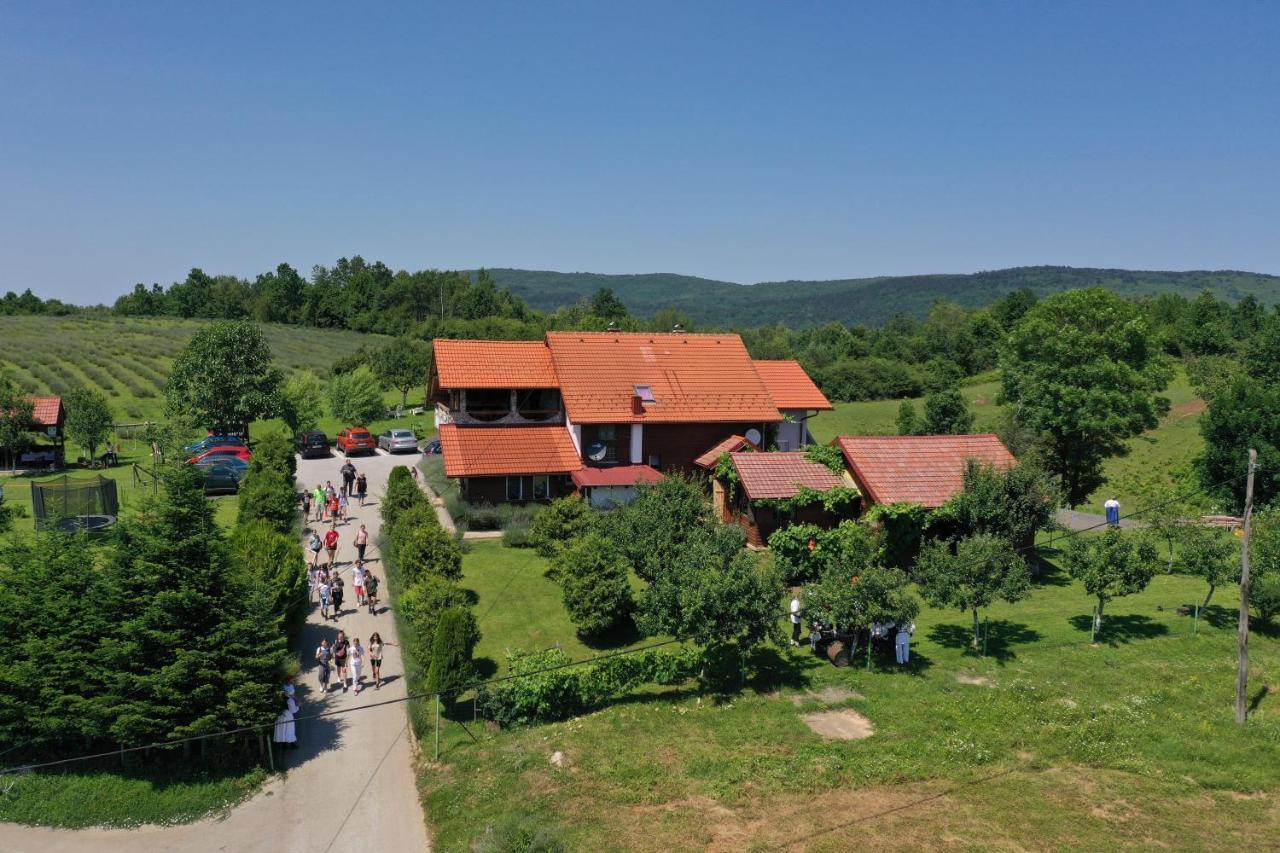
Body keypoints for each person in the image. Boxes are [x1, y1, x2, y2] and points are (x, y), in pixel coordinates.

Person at [273, 683, 299, 751]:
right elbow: (293, 710)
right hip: (288, 716)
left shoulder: (278, 698)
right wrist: (298, 707)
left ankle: (283, 745)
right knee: (289, 730)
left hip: (280, 716)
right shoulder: (290, 700)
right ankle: (292, 744)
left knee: (281, 730)